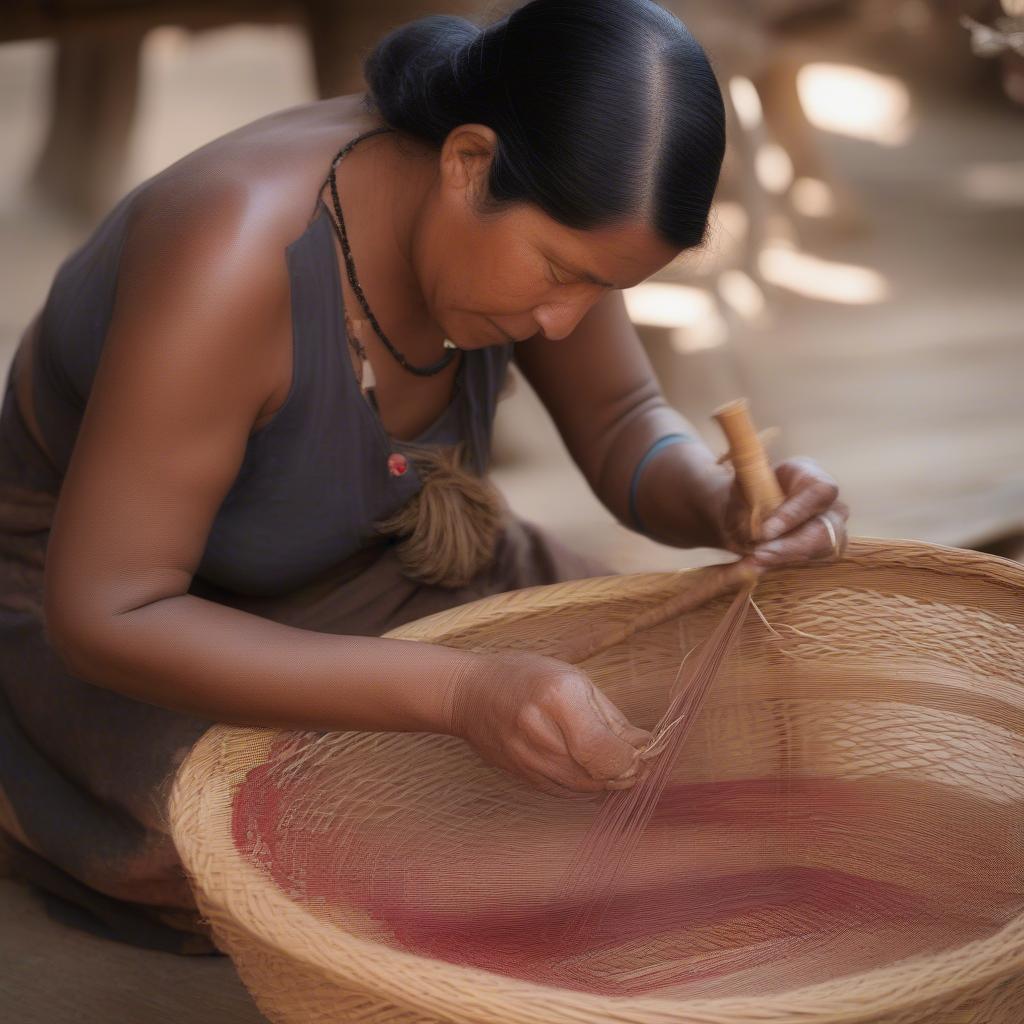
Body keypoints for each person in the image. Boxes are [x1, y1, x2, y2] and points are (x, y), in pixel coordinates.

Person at [0, 0, 849, 955]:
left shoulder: (553, 209)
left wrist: (717, 500)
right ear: (468, 162)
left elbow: (619, 422)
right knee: (379, 861)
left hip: (390, 561)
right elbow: (108, 612)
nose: (567, 324)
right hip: (147, 630)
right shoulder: (235, 252)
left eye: (604, 290)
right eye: (559, 272)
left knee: (714, 726)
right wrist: (459, 695)